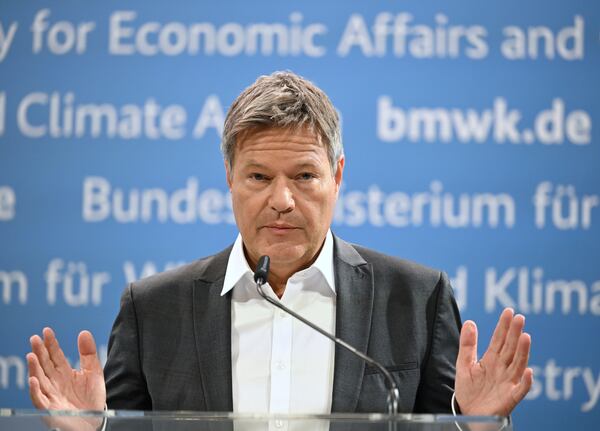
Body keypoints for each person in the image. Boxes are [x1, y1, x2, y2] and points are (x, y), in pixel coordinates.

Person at [26, 71, 532, 416]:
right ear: (229, 177)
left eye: (305, 176)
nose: (282, 200)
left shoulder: (417, 299)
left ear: (337, 175)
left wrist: (473, 424)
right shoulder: (154, 309)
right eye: (259, 176)